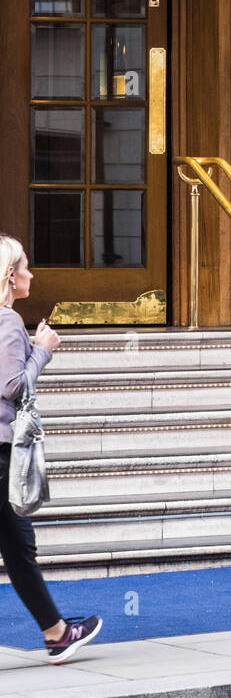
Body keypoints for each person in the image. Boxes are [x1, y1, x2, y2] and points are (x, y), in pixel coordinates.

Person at [0, 235, 102, 663]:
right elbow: (11, 386)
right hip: (1, 452)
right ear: (9, 276)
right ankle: (57, 633)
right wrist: (42, 351)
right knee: (19, 547)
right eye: (25, 266)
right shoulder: (6, 321)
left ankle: (56, 631)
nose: (31, 274)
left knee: (18, 546)